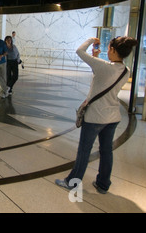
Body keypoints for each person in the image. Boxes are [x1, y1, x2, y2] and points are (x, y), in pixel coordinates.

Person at [56, 36, 138, 194]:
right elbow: (104, 77)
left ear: (113, 50)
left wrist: (90, 40)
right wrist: (96, 58)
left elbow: (79, 51)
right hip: (112, 117)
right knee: (106, 151)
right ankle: (103, 183)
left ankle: (72, 182)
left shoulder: (105, 67)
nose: (107, 50)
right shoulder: (125, 71)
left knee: (84, 150)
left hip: (95, 117)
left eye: (109, 48)